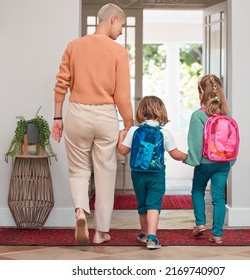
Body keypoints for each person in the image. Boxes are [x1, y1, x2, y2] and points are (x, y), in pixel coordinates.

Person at [51, 3, 134, 245]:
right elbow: (122, 97)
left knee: (78, 170)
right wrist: (128, 125)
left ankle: (79, 212)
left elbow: (61, 84)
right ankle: (101, 232)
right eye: (121, 26)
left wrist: (57, 118)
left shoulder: (74, 46)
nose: (121, 32)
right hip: (106, 115)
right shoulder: (118, 52)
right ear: (113, 20)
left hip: (78, 113)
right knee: (105, 173)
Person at [118, 96, 187, 249]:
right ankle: (152, 238)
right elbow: (175, 154)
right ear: (161, 112)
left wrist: (121, 136)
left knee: (142, 205)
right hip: (156, 175)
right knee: (153, 205)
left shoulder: (134, 130)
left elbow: (122, 150)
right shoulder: (164, 133)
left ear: (141, 112)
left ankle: (144, 233)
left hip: (137, 175)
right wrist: (187, 158)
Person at [185, 74, 236, 244]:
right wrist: (229, 163)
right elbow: (232, 141)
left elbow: (196, 144)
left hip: (205, 163)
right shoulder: (228, 115)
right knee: (218, 197)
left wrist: (192, 160)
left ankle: (200, 223)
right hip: (223, 164)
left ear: (201, 93)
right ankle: (217, 234)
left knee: (197, 190)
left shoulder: (198, 116)